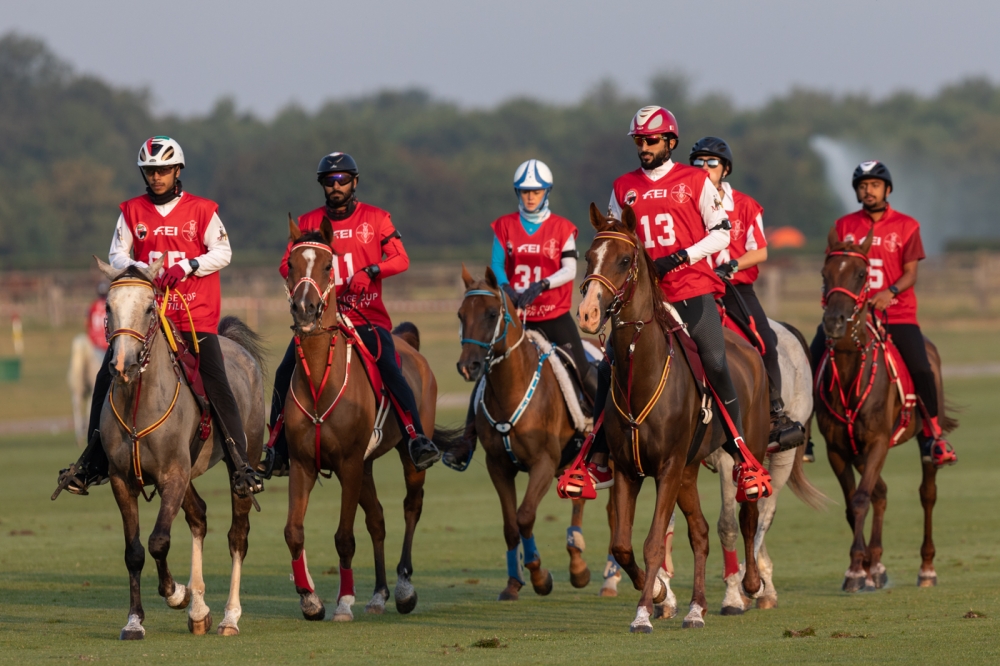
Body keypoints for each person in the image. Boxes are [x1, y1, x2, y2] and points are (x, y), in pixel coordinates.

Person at [582, 106, 773, 500]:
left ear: (670, 141)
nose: (645, 147)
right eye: (639, 141)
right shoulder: (623, 186)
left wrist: (681, 257)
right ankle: (596, 459)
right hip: (642, 300)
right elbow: (615, 236)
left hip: (690, 289)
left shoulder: (695, 180)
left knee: (717, 361)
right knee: (607, 367)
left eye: (651, 140)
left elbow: (721, 234)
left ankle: (742, 459)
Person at [56, 136, 263, 497]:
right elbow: (116, 254)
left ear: (177, 170)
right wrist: (142, 269)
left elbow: (224, 251)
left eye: (164, 170)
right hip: (148, 318)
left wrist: (187, 266)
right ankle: (91, 463)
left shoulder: (201, 210)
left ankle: (240, 462)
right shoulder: (131, 211)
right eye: (151, 171)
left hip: (192, 315)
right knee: (109, 377)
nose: (157, 177)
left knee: (217, 381)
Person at [262, 151, 441, 476]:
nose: (336, 185)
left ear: (354, 182)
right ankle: (276, 448)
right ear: (323, 186)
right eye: (329, 181)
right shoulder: (306, 223)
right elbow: (284, 264)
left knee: (390, 366)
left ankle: (415, 437)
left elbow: (401, 259)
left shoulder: (377, 218)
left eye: (343, 179)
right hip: (319, 321)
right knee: (283, 371)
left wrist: (371, 270)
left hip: (366, 317)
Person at [443, 159, 594, 470]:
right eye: (525, 191)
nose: (530, 197)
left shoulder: (563, 228)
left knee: (583, 370)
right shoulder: (504, 225)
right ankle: (467, 443)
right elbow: (497, 264)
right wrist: (508, 291)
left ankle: (597, 434)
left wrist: (541, 285)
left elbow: (570, 269)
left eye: (536, 191)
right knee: (486, 374)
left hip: (553, 314)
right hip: (515, 317)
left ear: (546, 192)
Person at [810, 160, 957, 468]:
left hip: (896, 313)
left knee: (921, 366)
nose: (868, 190)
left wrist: (889, 292)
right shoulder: (843, 226)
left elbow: (910, 273)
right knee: (812, 357)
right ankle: (805, 432)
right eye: (863, 186)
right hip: (851, 316)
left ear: (887, 189)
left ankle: (933, 434)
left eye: (875, 185)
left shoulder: (907, 226)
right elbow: (832, 270)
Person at [689, 136, 804, 452]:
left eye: (711, 162)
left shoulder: (746, 205)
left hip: (734, 287)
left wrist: (733, 265)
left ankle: (773, 417)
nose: (704, 168)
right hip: (693, 288)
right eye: (697, 162)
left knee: (765, 342)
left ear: (725, 169)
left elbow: (761, 251)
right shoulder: (684, 204)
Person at [86, 281, 111, 354]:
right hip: (108, 343)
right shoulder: (111, 305)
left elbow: (87, 323)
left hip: (95, 342)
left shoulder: (93, 305)